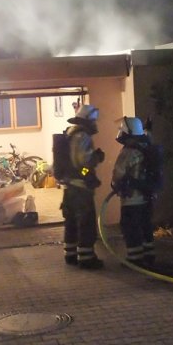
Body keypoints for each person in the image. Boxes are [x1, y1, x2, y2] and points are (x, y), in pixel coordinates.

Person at [61, 104, 105, 269]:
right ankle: (87, 258)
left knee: (71, 222)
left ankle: (70, 254)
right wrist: (97, 158)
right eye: (94, 120)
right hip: (80, 188)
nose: (95, 124)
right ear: (88, 120)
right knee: (86, 223)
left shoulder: (69, 134)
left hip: (69, 187)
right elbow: (84, 163)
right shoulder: (83, 136)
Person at [111, 117, 156, 267]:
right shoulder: (146, 147)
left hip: (131, 199)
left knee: (130, 228)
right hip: (146, 198)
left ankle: (135, 259)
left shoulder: (127, 153)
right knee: (145, 226)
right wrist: (148, 129)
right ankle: (149, 255)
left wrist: (115, 185)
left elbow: (118, 175)